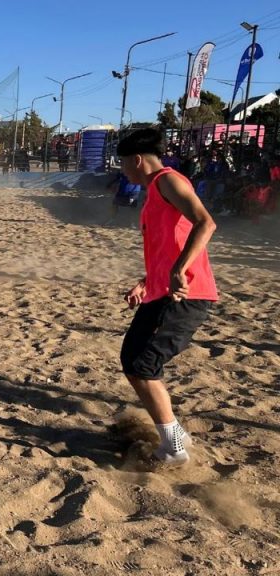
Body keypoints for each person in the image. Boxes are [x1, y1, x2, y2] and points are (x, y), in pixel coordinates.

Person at [117, 128, 218, 467]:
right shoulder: (154, 192)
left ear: (137, 160)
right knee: (133, 360)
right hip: (161, 292)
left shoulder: (168, 181)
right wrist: (146, 282)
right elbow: (166, 246)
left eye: (123, 164)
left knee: (142, 365)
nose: (123, 171)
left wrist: (179, 269)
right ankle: (176, 436)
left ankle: (174, 448)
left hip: (185, 295)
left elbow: (206, 223)